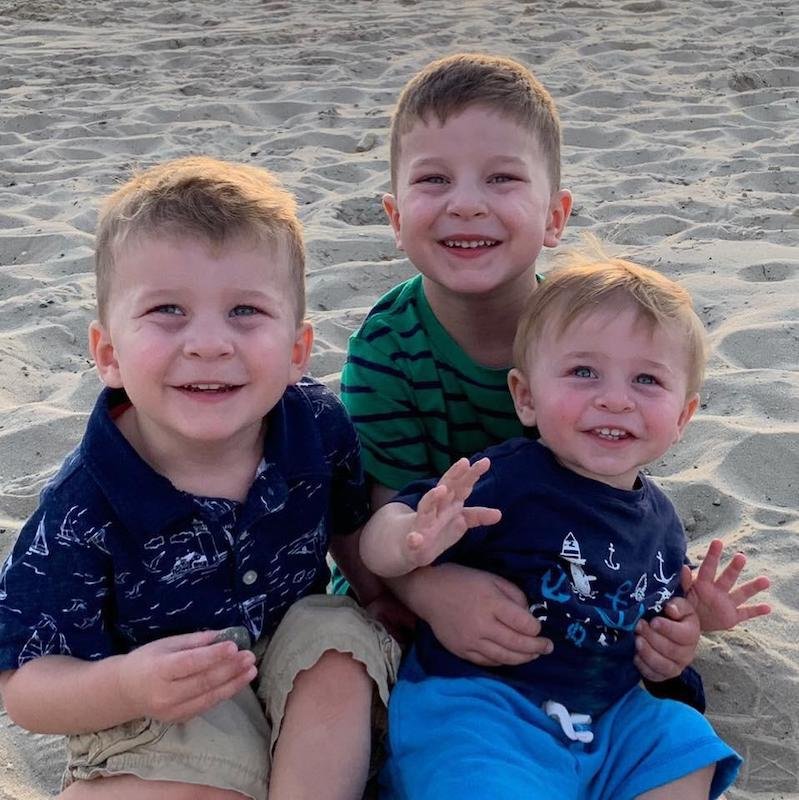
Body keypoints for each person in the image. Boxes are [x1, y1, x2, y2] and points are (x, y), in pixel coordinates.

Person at [0, 156, 400, 800]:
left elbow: (349, 529)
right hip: (160, 702)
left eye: (245, 310)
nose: (209, 343)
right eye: (168, 310)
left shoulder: (317, 426)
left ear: (297, 352)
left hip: (287, 660)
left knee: (339, 641)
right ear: (109, 355)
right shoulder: (85, 505)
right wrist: (127, 684)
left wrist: (380, 596)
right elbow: (24, 687)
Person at [339, 51, 707, 701]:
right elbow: (381, 515)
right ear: (395, 219)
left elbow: (614, 502)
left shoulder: (591, 340)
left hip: (556, 576)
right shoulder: (385, 350)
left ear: (554, 217)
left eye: (502, 178)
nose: (466, 205)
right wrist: (430, 592)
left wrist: (681, 622)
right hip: (412, 576)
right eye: (434, 180)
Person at [360, 254, 771, 799]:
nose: (615, 399)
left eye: (647, 379)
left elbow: (654, 619)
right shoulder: (508, 479)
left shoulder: (662, 521)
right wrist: (411, 538)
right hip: (488, 706)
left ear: (681, 418)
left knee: (685, 741)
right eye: (583, 372)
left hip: (610, 713)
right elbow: (376, 540)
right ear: (526, 397)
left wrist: (693, 624)